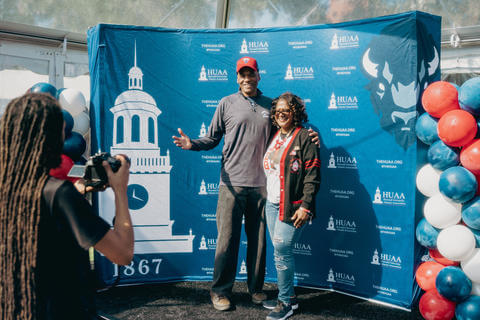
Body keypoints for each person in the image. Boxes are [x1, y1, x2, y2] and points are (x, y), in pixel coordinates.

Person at [173, 57, 318, 311]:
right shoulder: (226, 104)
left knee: (259, 242)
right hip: (231, 185)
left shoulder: (271, 106)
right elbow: (211, 138)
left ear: (258, 76)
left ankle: (256, 289)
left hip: (263, 188)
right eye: (243, 74)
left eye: (251, 74)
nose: (247, 79)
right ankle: (219, 291)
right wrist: (192, 144)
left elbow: (288, 131)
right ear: (237, 78)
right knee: (227, 240)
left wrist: (310, 134)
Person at [0, 93, 133, 320]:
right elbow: (122, 253)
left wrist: (80, 190)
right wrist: (120, 190)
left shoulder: (9, 190)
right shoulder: (60, 194)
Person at [262, 92, 321, 320]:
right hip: (271, 204)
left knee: (282, 250)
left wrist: (305, 206)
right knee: (280, 252)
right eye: (277, 110)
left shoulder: (305, 136)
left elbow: (312, 174)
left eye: (286, 109)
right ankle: (291, 298)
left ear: (295, 112)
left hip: (293, 206)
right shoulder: (275, 135)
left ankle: (285, 302)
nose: (281, 113)